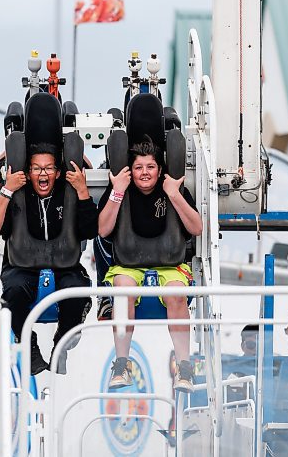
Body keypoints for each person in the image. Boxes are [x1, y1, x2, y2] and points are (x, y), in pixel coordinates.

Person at [98, 138, 202, 392]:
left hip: (169, 265)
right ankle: (122, 363)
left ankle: (184, 367)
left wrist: (174, 195)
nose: (145, 173)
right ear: (130, 172)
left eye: (150, 167)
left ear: (159, 169)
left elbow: (197, 228)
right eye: (138, 167)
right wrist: (117, 191)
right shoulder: (121, 191)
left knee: (177, 293)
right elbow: (103, 229)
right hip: (129, 265)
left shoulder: (175, 190)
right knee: (122, 290)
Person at [0, 142, 98, 375]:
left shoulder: (69, 193)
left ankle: (62, 344)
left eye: (48, 168)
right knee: (13, 291)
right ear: (28, 173)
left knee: (77, 288)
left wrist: (82, 190)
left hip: (64, 265)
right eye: (37, 169)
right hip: (22, 266)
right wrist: (7, 190)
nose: (43, 173)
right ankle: (29, 346)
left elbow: (89, 231)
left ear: (58, 173)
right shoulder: (15, 194)